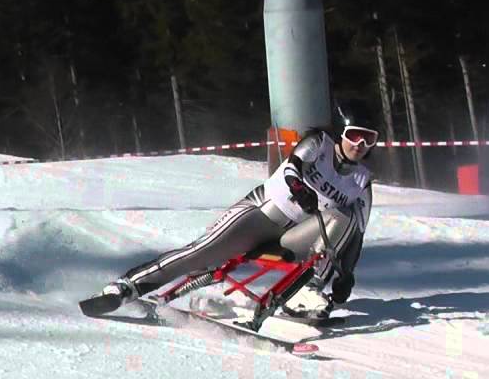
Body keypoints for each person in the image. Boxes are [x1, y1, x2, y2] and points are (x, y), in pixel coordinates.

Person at [89, 98, 377, 319]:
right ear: (341, 132)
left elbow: (356, 235)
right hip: (261, 215)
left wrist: (346, 274)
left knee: (346, 216)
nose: (361, 144)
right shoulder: (319, 144)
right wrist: (300, 190)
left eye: (369, 138)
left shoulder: (362, 181)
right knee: (202, 254)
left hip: (295, 236)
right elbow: (292, 168)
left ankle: (308, 291)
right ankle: (126, 287)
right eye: (355, 135)